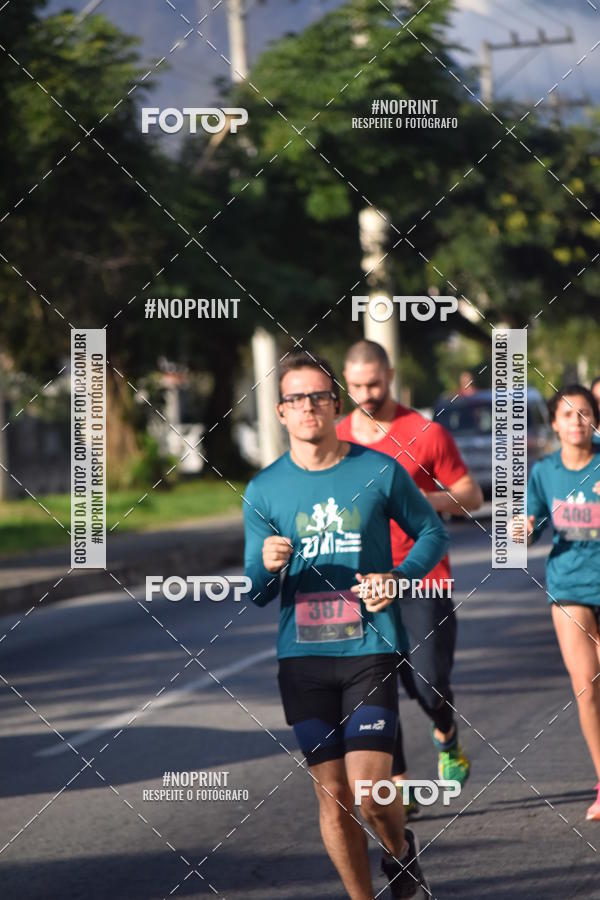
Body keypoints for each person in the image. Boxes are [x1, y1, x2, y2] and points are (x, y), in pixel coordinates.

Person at [244, 349, 449, 899]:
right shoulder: (264, 490)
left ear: (336, 404)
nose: (308, 406)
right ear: (281, 411)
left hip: (369, 648)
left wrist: (398, 577)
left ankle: (399, 850)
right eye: (295, 398)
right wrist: (265, 566)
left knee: (371, 789)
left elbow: (432, 533)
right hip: (303, 660)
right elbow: (258, 593)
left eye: (318, 396)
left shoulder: (377, 470)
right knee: (333, 796)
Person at [337, 341, 483, 816]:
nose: (366, 394)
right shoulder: (336, 439)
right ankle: (397, 785)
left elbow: (470, 495)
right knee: (374, 687)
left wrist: (416, 501)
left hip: (422, 578)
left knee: (428, 681)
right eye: (356, 386)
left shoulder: (425, 432)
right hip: (360, 583)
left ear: (391, 374)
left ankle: (447, 734)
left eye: (374, 383)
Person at [523, 384, 600, 821]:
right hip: (569, 585)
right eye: (568, 414)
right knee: (586, 688)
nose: (576, 421)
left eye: (584, 413)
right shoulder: (545, 472)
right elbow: (531, 525)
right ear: (554, 423)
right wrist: (524, 530)